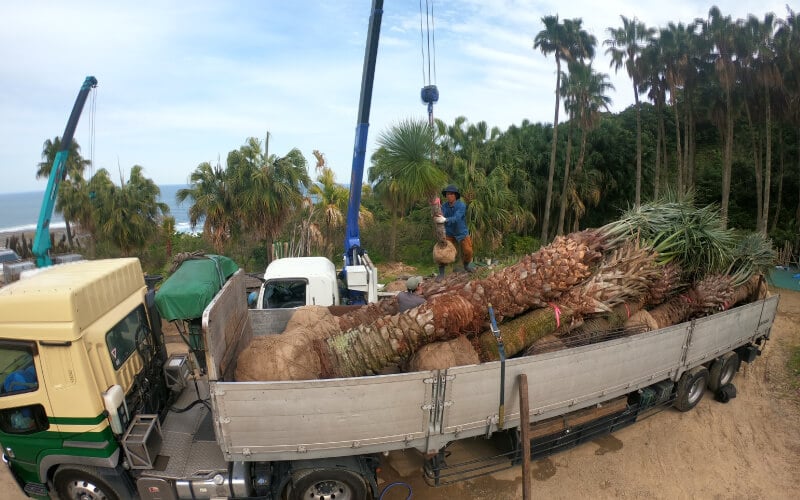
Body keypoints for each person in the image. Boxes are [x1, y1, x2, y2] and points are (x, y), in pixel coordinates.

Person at [434, 184, 474, 278]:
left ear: (455, 195)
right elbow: (440, 215)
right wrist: (436, 207)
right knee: (443, 251)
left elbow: (457, 217)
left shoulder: (461, 205)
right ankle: (441, 274)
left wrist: (445, 220)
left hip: (461, 232)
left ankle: (466, 265)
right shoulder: (444, 206)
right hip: (449, 233)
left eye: (451, 194)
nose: (449, 196)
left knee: (468, 251)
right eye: (447, 194)